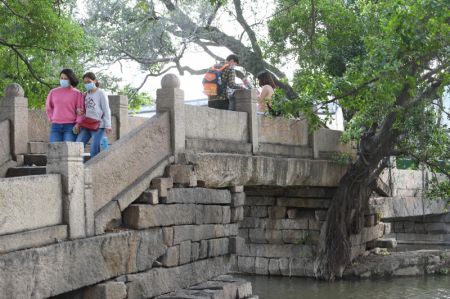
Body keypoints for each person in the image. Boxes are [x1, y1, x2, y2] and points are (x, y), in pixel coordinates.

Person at [75, 72, 112, 158]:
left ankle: (93, 170)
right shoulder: (86, 94)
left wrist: (108, 125)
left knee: (94, 149)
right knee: (77, 145)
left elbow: (106, 109)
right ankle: (78, 167)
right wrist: (80, 111)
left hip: (99, 125)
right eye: (85, 82)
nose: (86, 84)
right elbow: (85, 110)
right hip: (87, 124)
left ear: (94, 81)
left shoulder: (101, 93)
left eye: (89, 82)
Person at [46, 69, 84, 142]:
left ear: (70, 79)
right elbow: (48, 107)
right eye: (61, 78)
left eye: (66, 78)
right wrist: (52, 118)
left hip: (70, 126)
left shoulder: (77, 93)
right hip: (55, 126)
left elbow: (80, 111)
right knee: (54, 150)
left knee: (69, 152)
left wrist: (78, 123)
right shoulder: (53, 92)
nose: (63, 80)